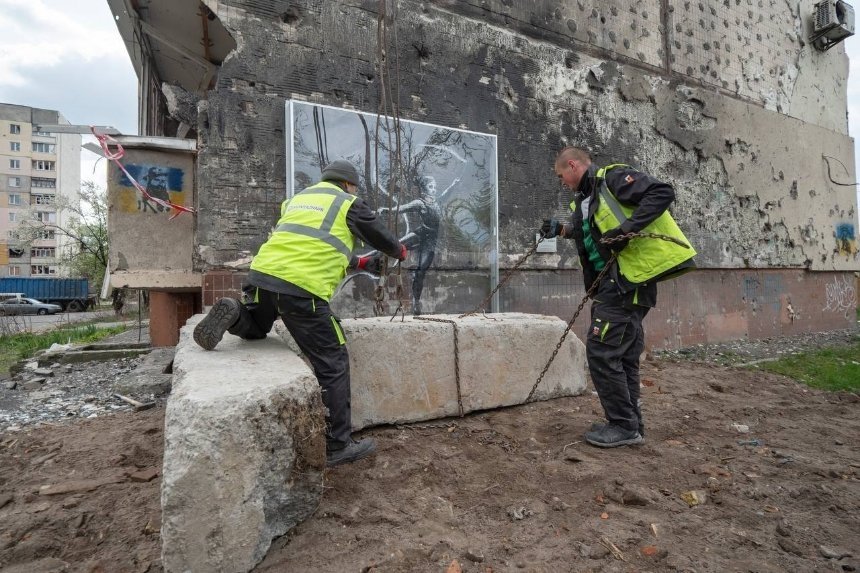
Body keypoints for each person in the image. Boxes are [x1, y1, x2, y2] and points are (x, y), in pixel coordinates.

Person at [193, 159, 407, 466]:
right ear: (348, 184)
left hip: (263, 278)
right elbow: (382, 238)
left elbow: (310, 244)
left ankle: (236, 312)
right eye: (354, 187)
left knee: (256, 328)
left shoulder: (297, 201)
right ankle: (337, 445)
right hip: (301, 291)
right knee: (333, 360)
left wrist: (359, 263)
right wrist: (399, 252)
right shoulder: (349, 203)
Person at [541, 147, 695, 448]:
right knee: (623, 354)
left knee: (601, 351)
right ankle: (630, 421)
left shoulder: (611, 178)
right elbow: (593, 232)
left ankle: (623, 426)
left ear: (573, 165)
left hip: (626, 282)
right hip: (614, 285)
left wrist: (627, 229)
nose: (563, 183)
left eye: (562, 176)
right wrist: (560, 229)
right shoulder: (585, 198)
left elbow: (662, 193)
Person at [378, 175, 442, 315]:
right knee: (396, 244)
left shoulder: (436, 203)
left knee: (420, 273)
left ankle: (416, 302)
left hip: (429, 243)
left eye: (435, 187)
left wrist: (455, 184)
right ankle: (373, 260)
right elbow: (402, 208)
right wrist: (386, 210)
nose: (434, 190)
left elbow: (448, 191)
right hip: (420, 234)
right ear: (424, 188)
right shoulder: (419, 203)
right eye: (431, 187)